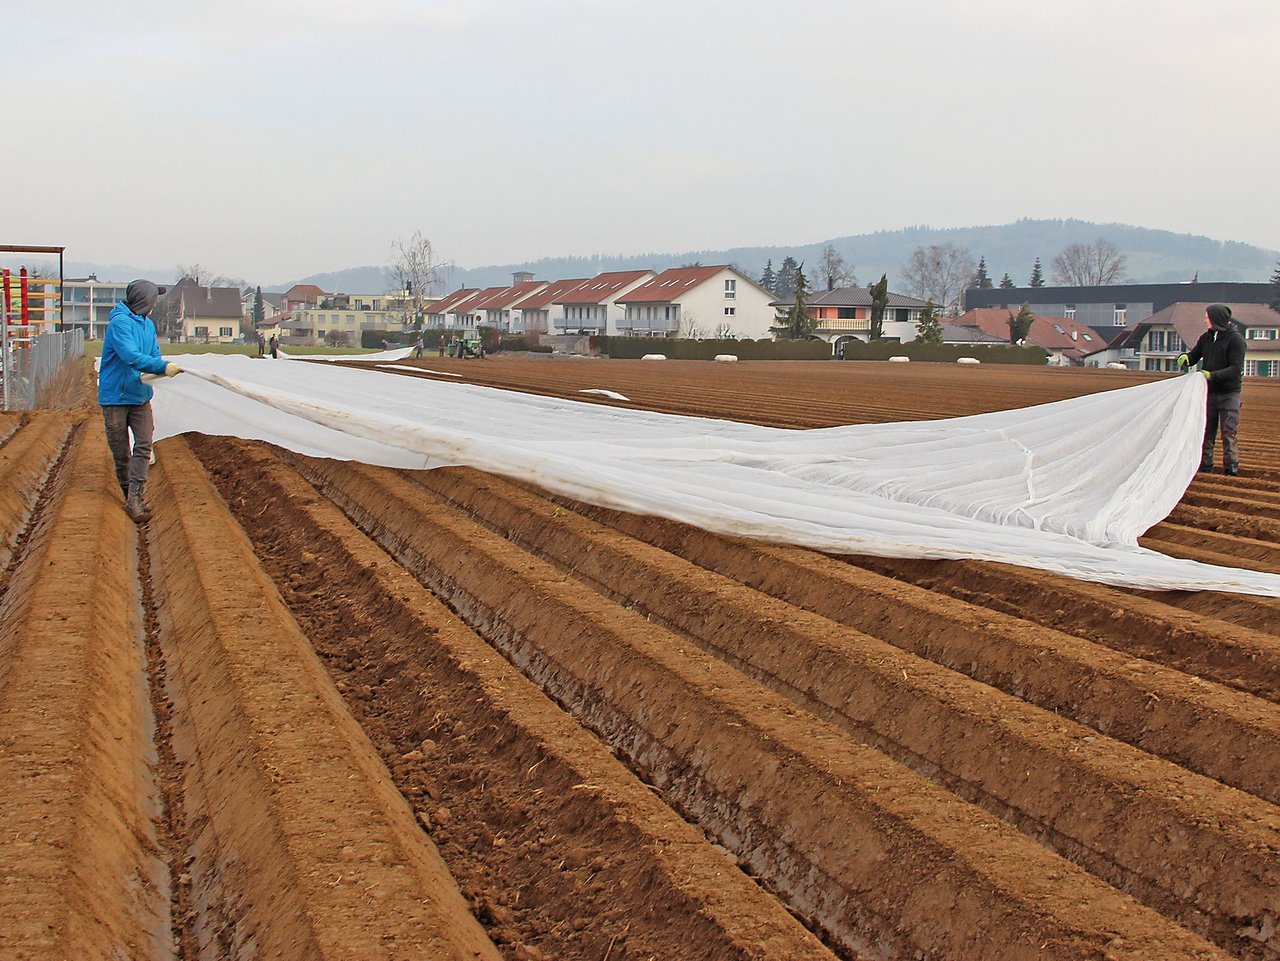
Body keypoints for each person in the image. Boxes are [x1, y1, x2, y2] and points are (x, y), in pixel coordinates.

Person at [97, 279, 182, 523]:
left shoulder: (148, 325)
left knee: (144, 444)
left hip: (140, 396)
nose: (155, 304)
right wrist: (162, 367)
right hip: (115, 397)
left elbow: (153, 353)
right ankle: (129, 496)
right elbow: (130, 356)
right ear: (145, 301)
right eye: (154, 299)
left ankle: (135, 498)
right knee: (121, 451)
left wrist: (161, 365)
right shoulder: (119, 324)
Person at [1179, 303, 1246, 475]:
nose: (1205, 320)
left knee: (1228, 432)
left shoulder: (1235, 340)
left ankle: (1231, 469)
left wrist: (1212, 375)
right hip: (1208, 393)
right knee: (1206, 431)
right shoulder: (1206, 338)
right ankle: (1205, 467)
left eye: (1207, 317)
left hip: (1229, 394)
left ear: (1216, 319)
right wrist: (1185, 357)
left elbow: (1235, 369)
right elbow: (1194, 356)